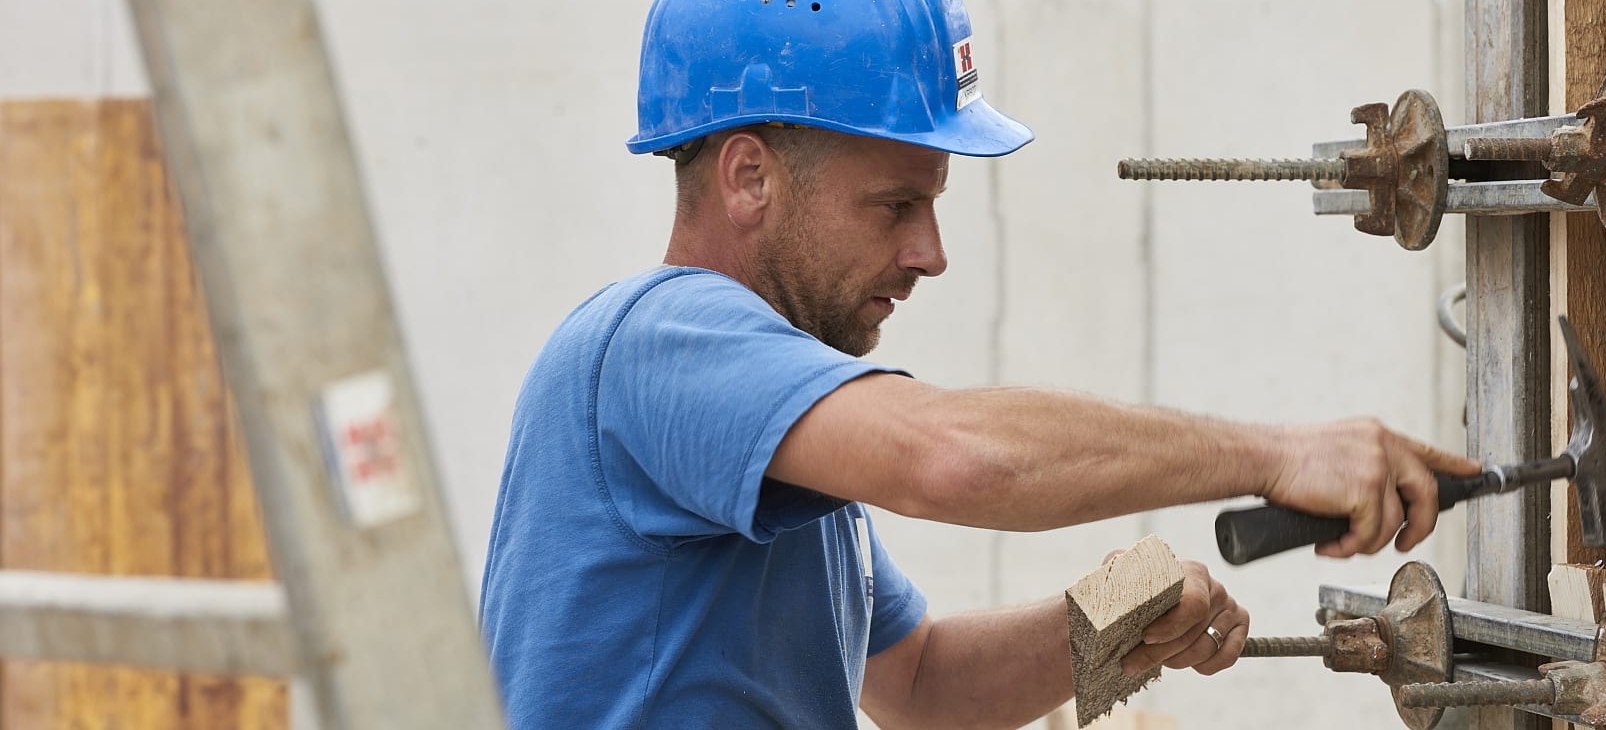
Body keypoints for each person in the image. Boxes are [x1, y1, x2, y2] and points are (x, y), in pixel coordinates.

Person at [477, 0, 1479, 727]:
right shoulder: (663, 342)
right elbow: (951, 456)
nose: (930, 252)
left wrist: (1106, 618)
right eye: (894, 204)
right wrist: (1274, 452)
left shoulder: (771, 420)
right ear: (748, 177)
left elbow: (919, 685)